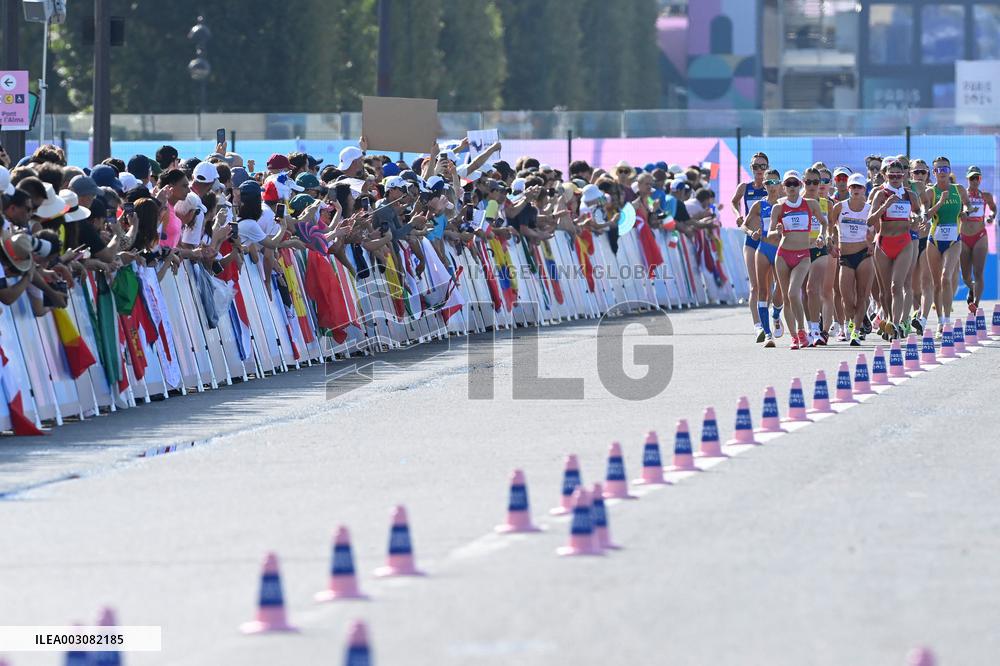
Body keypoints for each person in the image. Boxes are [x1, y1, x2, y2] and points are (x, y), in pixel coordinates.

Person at [869, 160, 930, 340]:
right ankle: (888, 320)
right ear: (885, 176)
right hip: (883, 244)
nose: (895, 179)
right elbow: (870, 221)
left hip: (904, 243)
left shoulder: (909, 195)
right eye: (892, 175)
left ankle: (896, 324)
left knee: (898, 286)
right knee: (884, 291)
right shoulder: (880, 194)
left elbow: (919, 212)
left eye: (899, 175)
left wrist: (917, 218)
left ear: (904, 176)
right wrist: (885, 206)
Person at [767, 171, 826, 350]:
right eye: (788, 184)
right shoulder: (778, 207)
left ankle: (802, 330)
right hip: (783, 255)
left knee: (794, 293)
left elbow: (824, 223)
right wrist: (776, 232)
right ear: (783, 187)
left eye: (795, 183)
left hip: (803, 255)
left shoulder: (811, 204)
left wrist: (823, 236)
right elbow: (769, 235)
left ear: (800, 185)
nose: (792, 187)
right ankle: (794, 337)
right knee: (786, 298)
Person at [923, 156, 967, 332]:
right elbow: (925, 215)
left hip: (954, 240)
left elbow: (967, 205)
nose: (942, 172)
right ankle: (940, 319)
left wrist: (965, 212)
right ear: (934, 173)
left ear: (950, 171)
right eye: (939, 170)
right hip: (934, 240)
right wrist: (940, 202)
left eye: (945, 169)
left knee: (946, 277)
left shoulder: (959, 189)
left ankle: (947, 320)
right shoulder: (930, 192)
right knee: (936, 284)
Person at [829, 174, 874, 346]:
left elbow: (876, 229)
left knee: (862, 296)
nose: (856, 190)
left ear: (864, 189)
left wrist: (872, 242)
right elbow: (830, 226)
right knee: (846, 298)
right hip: (845, 257)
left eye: (859, 187)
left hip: (864, 254)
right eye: (853, 187)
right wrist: (830, 242)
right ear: (848, 189)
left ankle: (856, 330)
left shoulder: (869, 208)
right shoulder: (839, 207)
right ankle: (851, 320)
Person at [741, 168, 784, 347]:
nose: (772, 186)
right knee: (762, 290)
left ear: (780, 184)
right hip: (763, 248)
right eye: (768, 183)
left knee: (780, 290)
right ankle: (767, 334)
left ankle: (776, 314)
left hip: (781, 249)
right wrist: (752, 233)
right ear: (764, 185)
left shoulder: (784, 204)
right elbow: (744, 224)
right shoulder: (760, 204)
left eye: (775, 182)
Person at [731, 152, 769, 340]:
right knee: (754, 286)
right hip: (751, 240)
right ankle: (757, 326)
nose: (759, 170)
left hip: (769, 240)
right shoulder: (745, 187)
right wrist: (738, 215)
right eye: (756, 166)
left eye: (763, 166)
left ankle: (770, 318)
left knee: (766, 286)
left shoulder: (773, 188)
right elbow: (733, 201)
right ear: (751, 168)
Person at [959, 165, 996, 314]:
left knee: (979, 272)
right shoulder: (962, 196)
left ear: (980, 179)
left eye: (977, 178)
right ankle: (972, 289)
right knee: (966, 276)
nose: (975, 181)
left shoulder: (985, 196)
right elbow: (958, 213)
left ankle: (975, 304)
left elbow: (993, 208)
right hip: (963, 237)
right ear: (968, 179)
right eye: (972, 178)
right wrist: (963, 214)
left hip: (980, 236)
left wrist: (991, 216)